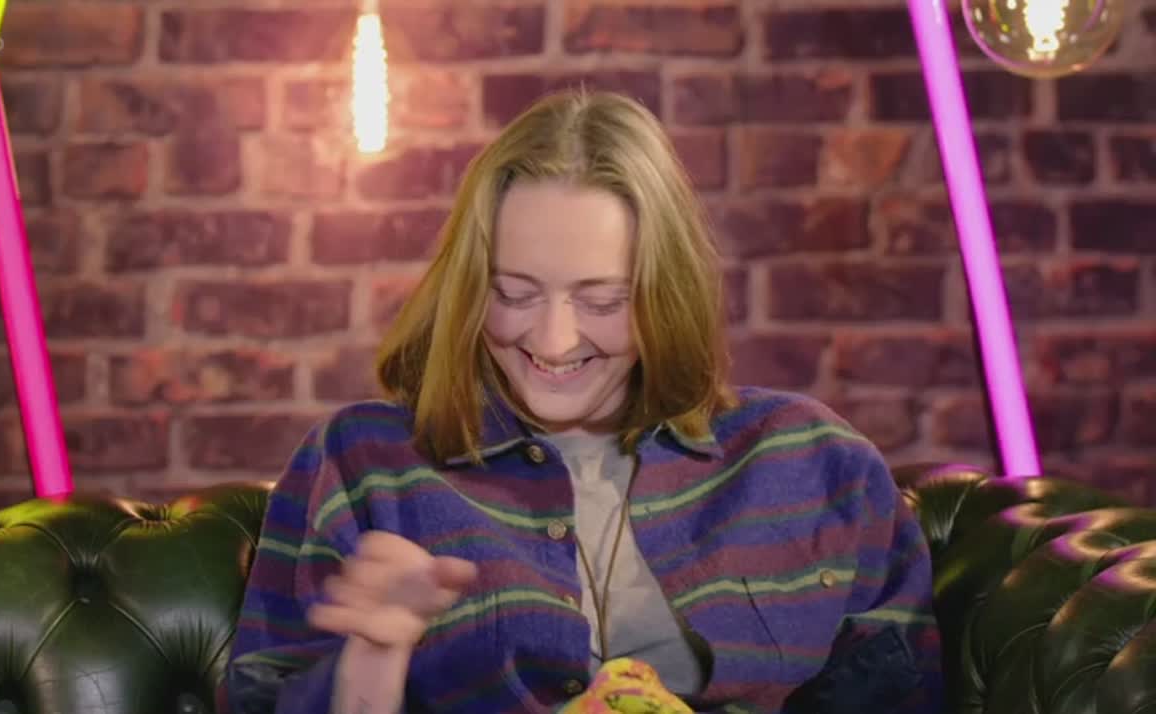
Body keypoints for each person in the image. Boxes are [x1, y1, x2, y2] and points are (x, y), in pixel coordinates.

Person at [220, 89, 943, 714]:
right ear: (469, 289)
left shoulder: (816, 461)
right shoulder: (362, 461)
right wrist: (373, 660)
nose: (553, 341)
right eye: (514, 294)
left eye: (603, 301)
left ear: (665, 295)